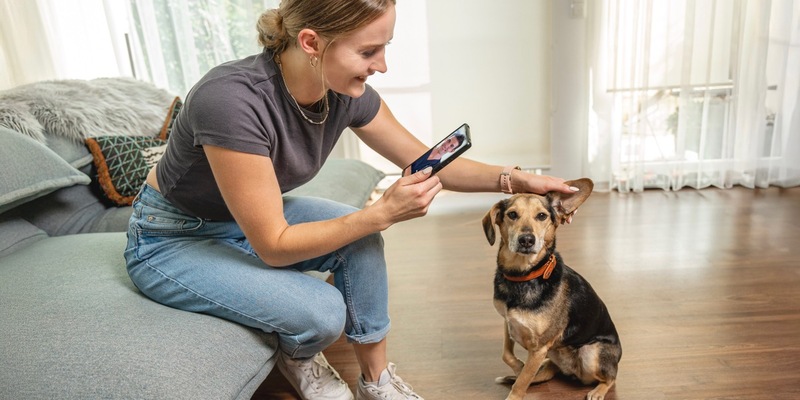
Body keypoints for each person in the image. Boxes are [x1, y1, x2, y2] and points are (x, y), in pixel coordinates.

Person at [123, 0, 579, 399]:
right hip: (173, 238)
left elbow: (429, 162)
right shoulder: (230, 100)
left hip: (244, 222)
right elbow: (273, 245)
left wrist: (517, 180)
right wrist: (381, 214)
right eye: (368, 52)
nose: (382, 65)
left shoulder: (342, 92)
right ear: (311, 42)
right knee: (324, 312)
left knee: (360, 240)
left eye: (385, 48)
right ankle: (299, 356)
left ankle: (376, 382)